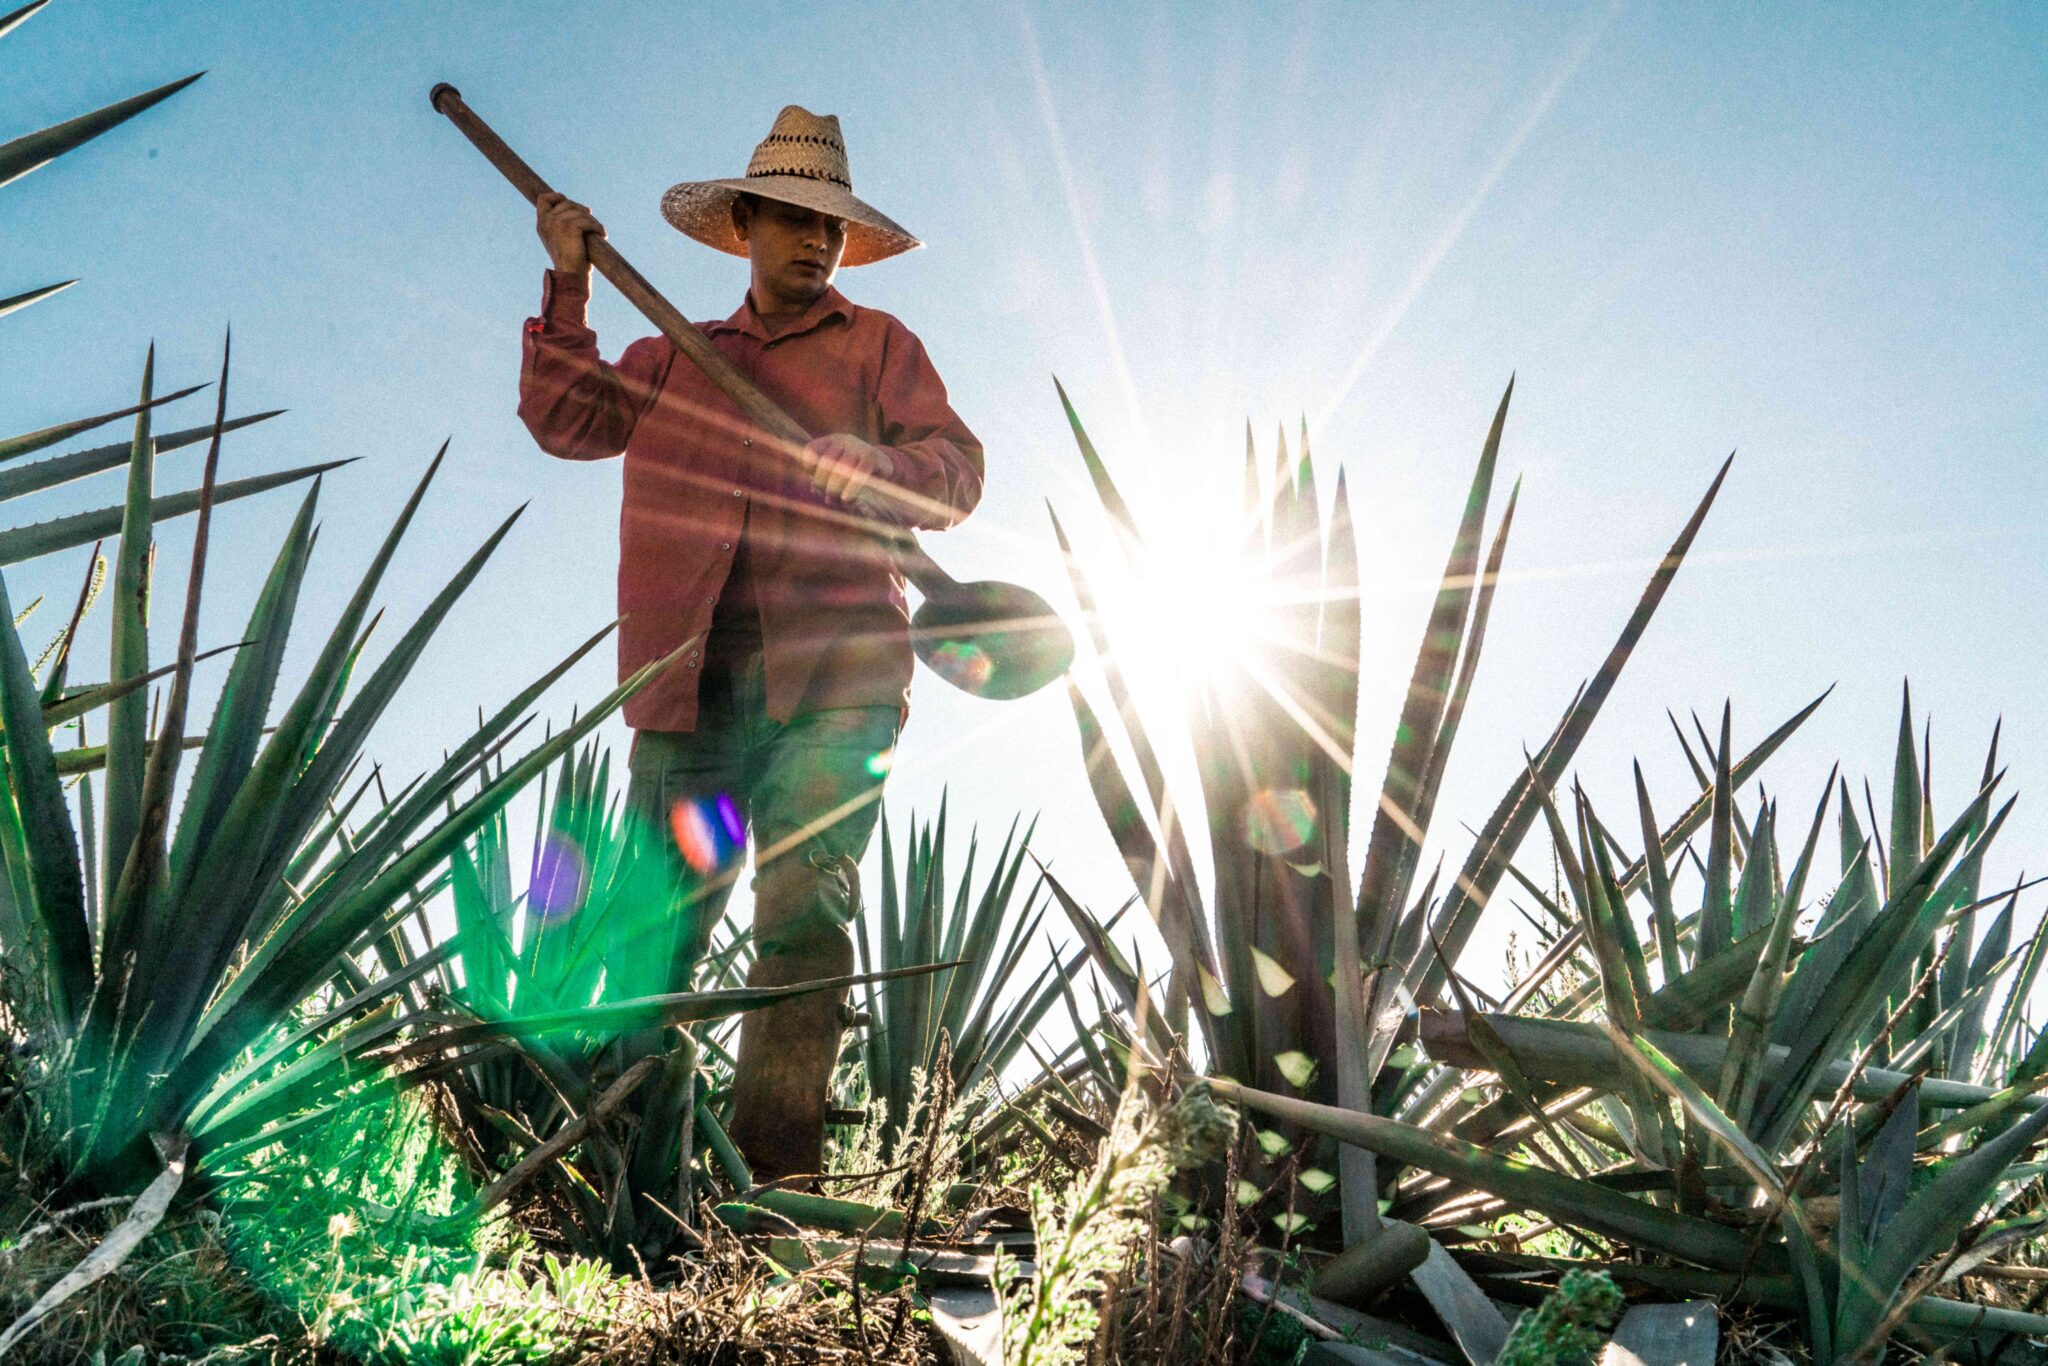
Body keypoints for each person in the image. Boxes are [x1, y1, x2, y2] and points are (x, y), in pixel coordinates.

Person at [516, 105, 983, 1183]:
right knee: (652, 937)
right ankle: (635, 1185)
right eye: (794, 220)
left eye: (832, 228)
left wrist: (870, 466)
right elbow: (564, 420)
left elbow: (956, 470)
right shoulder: (676, 356)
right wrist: (569, 282)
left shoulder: (879, 348)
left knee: (803, 923)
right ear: (748, 225)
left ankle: (777, 1195)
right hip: (686, 691)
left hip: (835, 683)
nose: (815, 242)